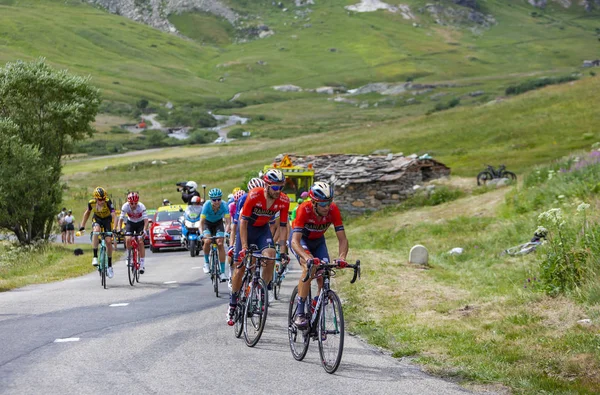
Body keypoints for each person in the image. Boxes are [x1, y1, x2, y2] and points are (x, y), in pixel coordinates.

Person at [227, 170, 290, 326]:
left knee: (270, 255)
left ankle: (262, 290)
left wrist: (282, 252)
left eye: (281, 187)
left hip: (262, 231)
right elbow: (243, 222)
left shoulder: (283, 200)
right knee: (240, 267)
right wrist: (244, 246)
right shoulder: (254, 195)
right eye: (275, 188)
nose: (278, 191)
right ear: (267, 186)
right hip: (247, 230)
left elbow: (283, 227)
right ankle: (233, 303)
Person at [289, 181, 348, 328]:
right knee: (309, 268)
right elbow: (295, 241)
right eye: (322, 204)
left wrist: (342, 257)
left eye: (328, 203)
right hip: (301, 240)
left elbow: (342, 238)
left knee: (325, 273)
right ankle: (300, 312)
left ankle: (316, 305)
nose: (326, 207)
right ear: (314, 202)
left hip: (318, 241)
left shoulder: (333, 210)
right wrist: (307, 257)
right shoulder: (304, 209)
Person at [79, 187, 117, 278]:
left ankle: (110, 266)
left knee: (108, 241)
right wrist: (82, 226)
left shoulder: (108, 201)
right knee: (96, 231)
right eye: (100, 199)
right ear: (95, 198)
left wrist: (115, 228)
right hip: (97, 219)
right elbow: (87, 213)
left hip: (107, 220)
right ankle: (95, 256)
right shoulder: (91, 203)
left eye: (104, 198)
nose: (102, 201)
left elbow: (114, 215)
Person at [200, 188, 231, 280]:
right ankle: (206, 263)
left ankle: (222, 272)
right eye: (214, 200)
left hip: (218, 224)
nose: (217, 202)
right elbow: (201, 222)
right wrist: (201, 234)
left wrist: (226, 232)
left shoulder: (224, 205)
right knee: (207, 241)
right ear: (211, 200)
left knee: (220, 243)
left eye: (219, 199)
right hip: (207, 224)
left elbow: (228, 222)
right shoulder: (206, 205)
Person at [116, 192, 149, 274]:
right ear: (128, 202)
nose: (134, 205)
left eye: (135, 203)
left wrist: (144, 230)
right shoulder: (125, 206)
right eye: (132, 203)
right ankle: (129, 256)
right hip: (130, 223)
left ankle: (142, 264)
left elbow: (146, 221)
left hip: (140, 223)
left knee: (140, 241)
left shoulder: (141, 206)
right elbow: (121, 219)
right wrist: (119, 229)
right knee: (128, 239)